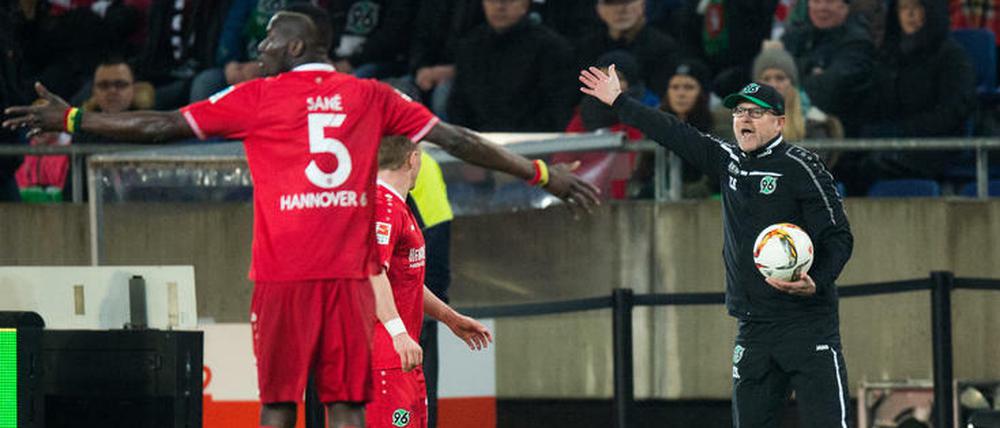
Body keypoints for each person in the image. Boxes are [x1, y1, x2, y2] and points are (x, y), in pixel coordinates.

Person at [3, 6, 599, 428]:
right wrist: (542, 174)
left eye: (267, 40)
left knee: (278, 404)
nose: (258, 50)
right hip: (346, 277)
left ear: (294, 48)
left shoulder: (257, 98)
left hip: (284, 275)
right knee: (346, 404)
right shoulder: (372, 95)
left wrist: (75, 120)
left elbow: (161, 125)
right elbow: (460, 139)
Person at [580, 67, 854, 427]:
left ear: (779, 122)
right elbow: (674, 133)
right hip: (753, 325)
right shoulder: (729, 160)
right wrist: (620, 101)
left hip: (806, 324)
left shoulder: (801, 167)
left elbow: (839, 237)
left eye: (756, 112)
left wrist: (816, 281)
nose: (745, 119)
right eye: (739, 111)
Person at [367, 135, 492, 428]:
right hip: (385, 357)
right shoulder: (382, 205)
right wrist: (398, 333)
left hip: (400, 357)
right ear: (413, 158)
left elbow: (403, 279)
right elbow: (372, 272)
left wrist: (449, 317)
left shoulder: (396, 206)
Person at [447, 0, 577, 132]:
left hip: (532, 138)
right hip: (478, 137)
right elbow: (458, 105)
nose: (499, 7)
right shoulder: (470, 46)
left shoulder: (551, 48)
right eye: (492, 1)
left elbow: (557, 107)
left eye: (509, 1)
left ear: (525, 4)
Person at [781, 0, 875, 136]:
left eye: (829, 1)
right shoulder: (795, 35)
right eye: (816, 1)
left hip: (842, 135)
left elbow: (831, 89)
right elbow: (775, 74)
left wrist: (794, 82)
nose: (822, 8)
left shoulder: (859, 42)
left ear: (845, 6)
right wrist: (809, 68)